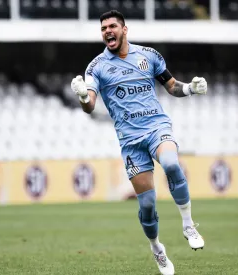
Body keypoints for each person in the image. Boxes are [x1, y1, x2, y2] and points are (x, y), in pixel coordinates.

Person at [70, 10, 208, 275]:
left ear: (124, 29)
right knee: (147, 205)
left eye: (112, 26)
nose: (107, 31)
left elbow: (171, 86)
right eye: (103, 28)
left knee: (170, 164)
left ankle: (188, 224)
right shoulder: (96, 67)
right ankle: (157, 248)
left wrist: (191, 88)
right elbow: (90, 105)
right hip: (131, 141)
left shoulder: (149, 56)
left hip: (157, 126)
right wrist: (82, 97)